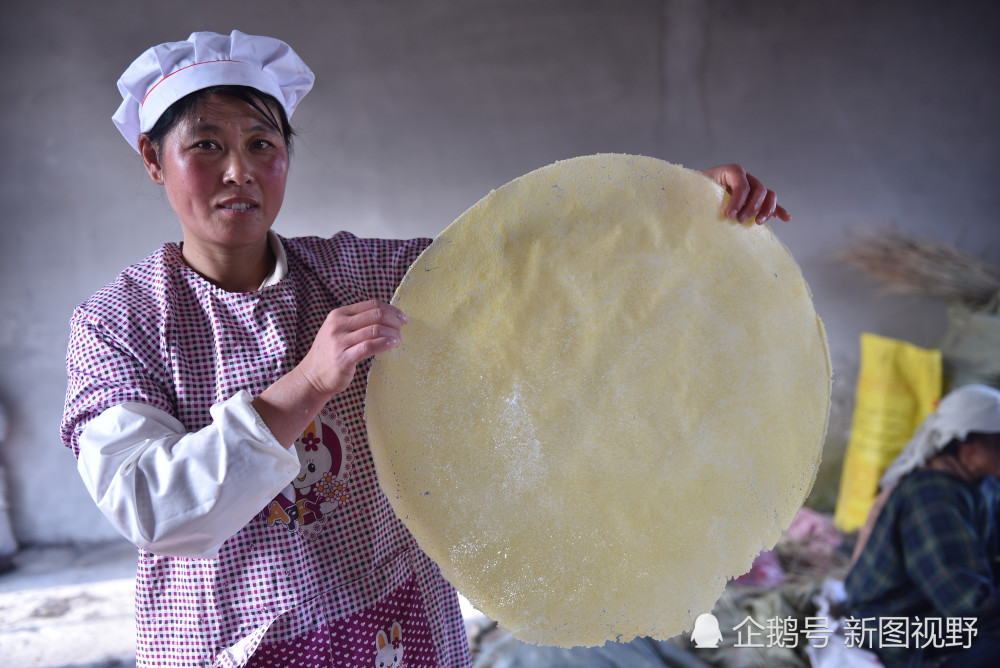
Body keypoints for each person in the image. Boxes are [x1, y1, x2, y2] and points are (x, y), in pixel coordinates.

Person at [60, 30, 791, 668]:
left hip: (391, 622)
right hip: (233, 641)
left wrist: (674, 207)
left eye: (262, 145)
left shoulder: (354, 274)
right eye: (206, 147)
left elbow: (521, 269)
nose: (238, 172)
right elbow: (150, 507)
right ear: (154, 160)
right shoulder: (118, 326)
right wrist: (309, 384)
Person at [845, 384, 1000, 668]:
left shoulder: (983, 483)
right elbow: (968, 607)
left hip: (937, 607)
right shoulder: (931, 495)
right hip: (898, 624)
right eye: (998, 441)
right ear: (966, 443)